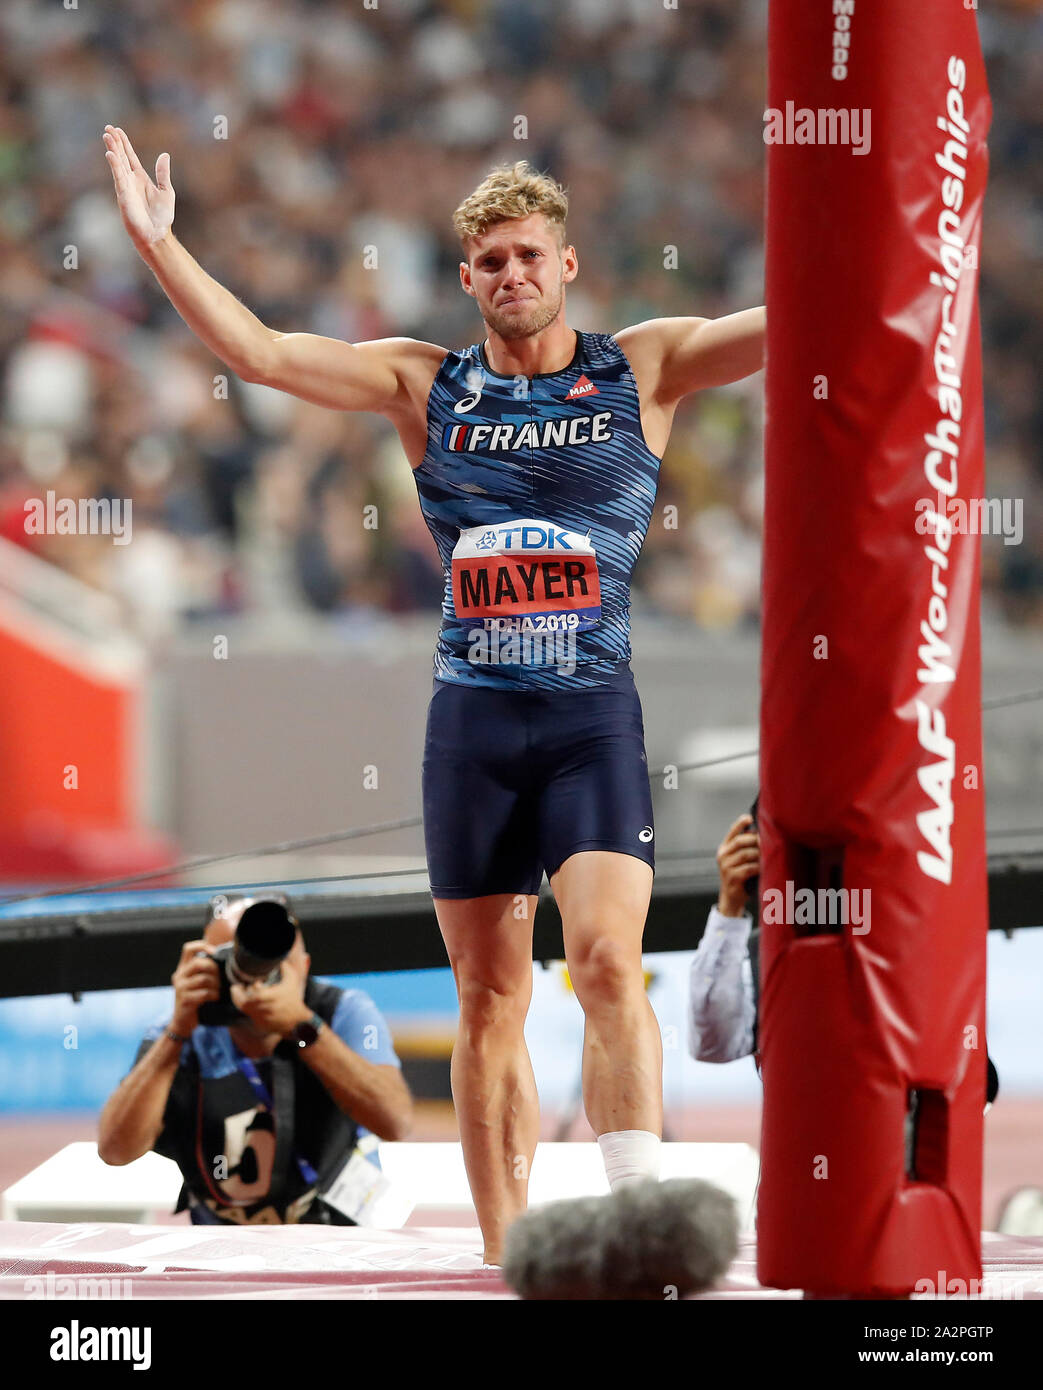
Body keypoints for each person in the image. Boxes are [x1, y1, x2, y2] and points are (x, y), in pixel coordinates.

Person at [102, 130, 766, 1262]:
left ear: (565, 266)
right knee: (487, 997)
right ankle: (513, 1254)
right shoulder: (428, 383)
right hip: (471, 727)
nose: (510, 274)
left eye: (528, 255)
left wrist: (912, 206)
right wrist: (160, 246)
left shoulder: (639, 367)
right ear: (466, 278)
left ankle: (640, 1218)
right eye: (489, 260)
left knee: (606, 959)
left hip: (588, 718)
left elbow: (807, 315)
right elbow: (261, 353)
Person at [97, 894, 413, 1225]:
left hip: (337, 1241)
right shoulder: (181, 1029)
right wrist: (177, 1033)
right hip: (224, 1250)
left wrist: (304, 1028)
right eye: (237, 959)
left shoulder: (339, 1013)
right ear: (202, 964)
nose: (259, 975)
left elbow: (396, 1122)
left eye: (278, 961)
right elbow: (116, 1150)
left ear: (303, 968)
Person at [687, 809, 999, 1109]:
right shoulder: (766, 952)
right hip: (798, 1147)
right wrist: (730, 906)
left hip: (899, 1148)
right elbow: (712, 1043)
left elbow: (976, 1087)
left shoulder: (918, 943)